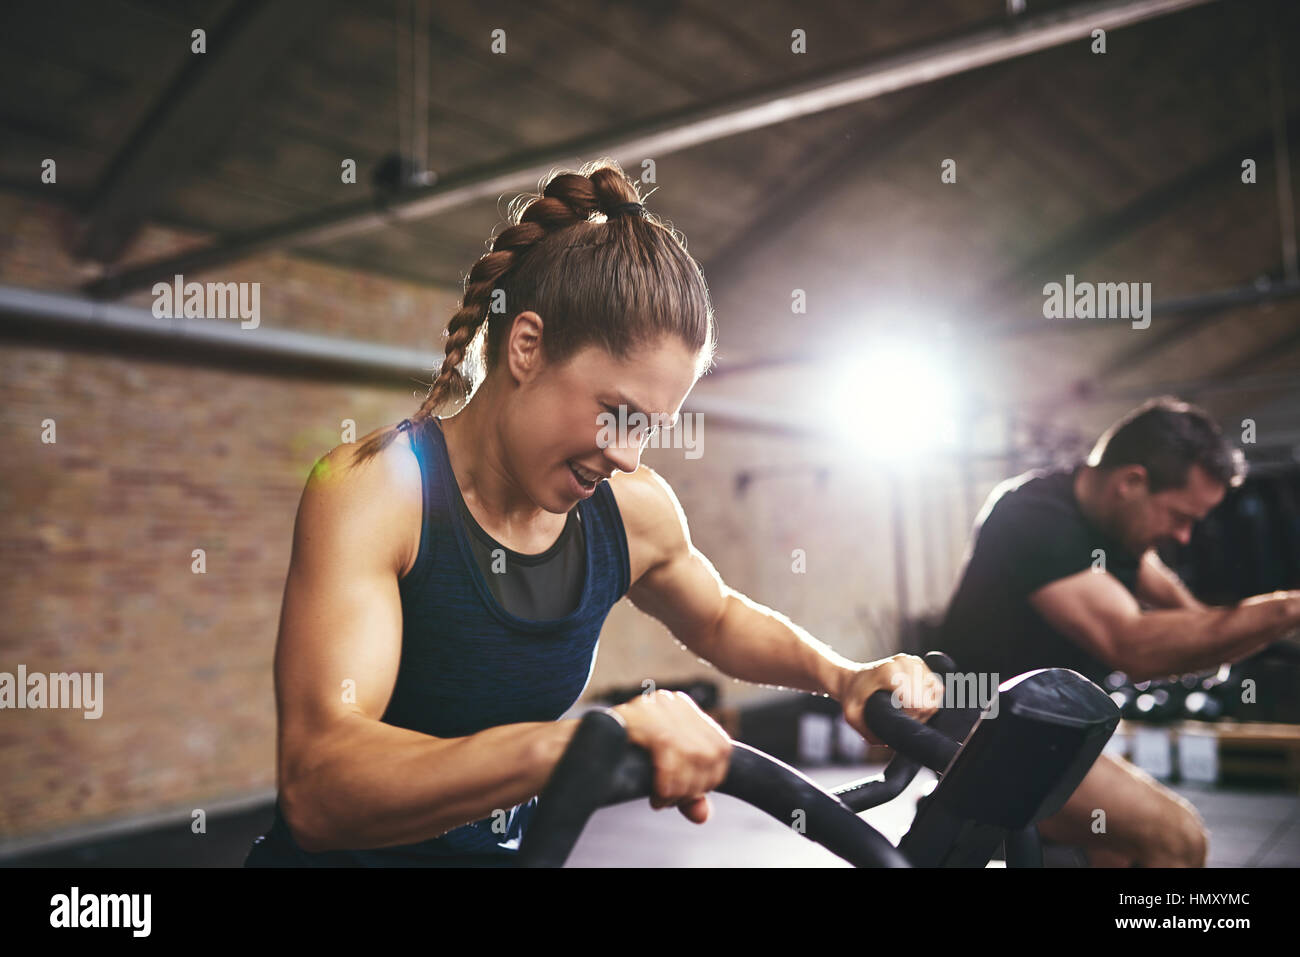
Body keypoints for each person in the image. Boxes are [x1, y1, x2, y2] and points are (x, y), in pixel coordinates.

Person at [244, 158, 942, 866]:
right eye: (617, 414)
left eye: (648, 429)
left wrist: (845, 676)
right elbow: (318, 784)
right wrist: (578, 743)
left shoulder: (630, 512)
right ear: (526, 345)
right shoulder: (378, 491)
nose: (629, 456)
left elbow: (719, 616)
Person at [938, 396, 1300, 867]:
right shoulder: (1033, 518)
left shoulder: (1115, 524)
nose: (1185, 536)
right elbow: (1132, 645)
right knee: (1178, 839)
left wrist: (1207, 629)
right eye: (1181, 517)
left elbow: (1161, 586)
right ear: (1132, 482)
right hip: (977, 725)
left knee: (1117, 849)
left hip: (1050, 726)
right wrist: (1285, 611)